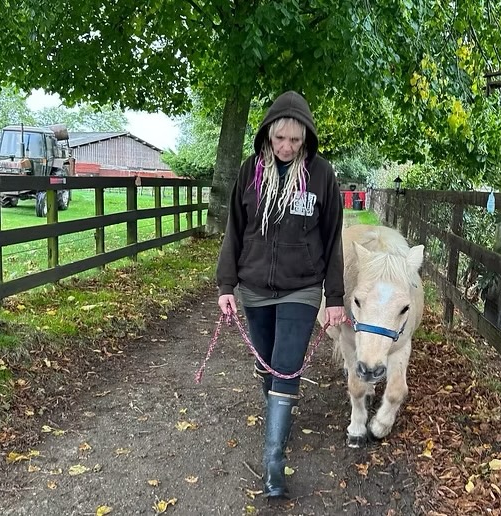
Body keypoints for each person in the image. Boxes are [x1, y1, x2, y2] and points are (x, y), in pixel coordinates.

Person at [216, 91, 346, 498]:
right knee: (268, 365)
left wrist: (335, 297)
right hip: (254, 288)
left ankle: (274, 462)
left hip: (301, 288)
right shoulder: (250, 172)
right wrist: (226, 286)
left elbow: (332, 238)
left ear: (306, 138)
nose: (287, 147)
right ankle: (277, 408)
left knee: (286, 368)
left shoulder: (322, 175)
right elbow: (235, 231)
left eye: (295, 140)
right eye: (279, 140)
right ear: (267, 137)